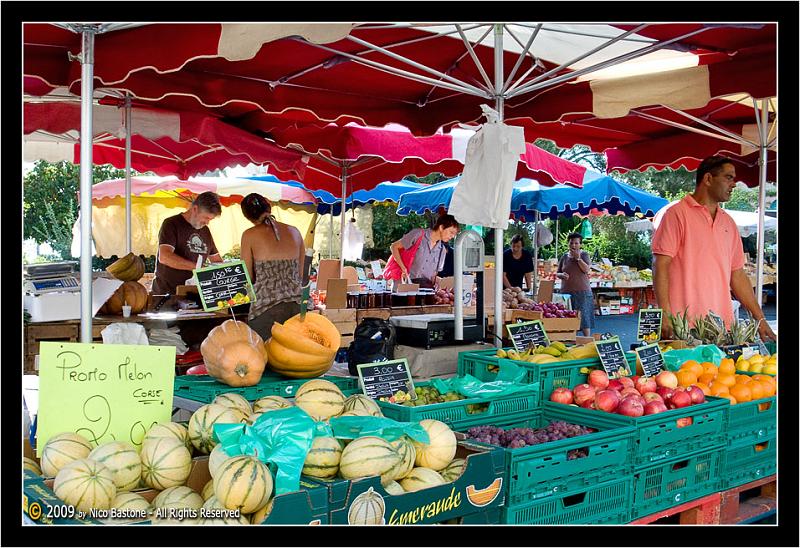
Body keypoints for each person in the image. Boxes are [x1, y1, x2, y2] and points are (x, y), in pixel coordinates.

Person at [652, 155, 776, 341]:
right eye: (728, 177)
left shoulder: (728, 222)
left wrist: (760, 319)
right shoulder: (676, 214)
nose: (734, 184)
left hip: (721, 327)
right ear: (708, 179)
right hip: (684, 325)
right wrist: (664, 314)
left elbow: (738, 275)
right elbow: (660, 265)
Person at [240, 193, 305, 340]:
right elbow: (302, 274)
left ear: (248, 217)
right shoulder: (295, 231)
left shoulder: (249, 235)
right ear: (269, 206)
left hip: (266, 308)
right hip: (298, 306)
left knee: (266, 358)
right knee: (300, 360)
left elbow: (247, 277)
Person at [152, 191, 223, 295]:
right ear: (195, 209)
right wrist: (198, 268)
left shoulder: (205, 231)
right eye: (206, 217)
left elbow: (217, 261)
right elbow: (164, 257)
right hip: (168, 295)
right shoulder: (171, 224)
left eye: (210, 219)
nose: (207, 222)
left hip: (194, 295)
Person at [390, 214, 459, 288]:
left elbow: (433, 276)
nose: (452, 236)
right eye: (451, 232)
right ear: (441, 227)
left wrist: (440, 283)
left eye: (454, 234)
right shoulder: (418, 234)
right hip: (402, 287)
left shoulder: (442, 250)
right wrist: (403, 268)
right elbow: (394, 247)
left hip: (423, 291)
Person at [556, 232, 595, 337]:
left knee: (584, 317)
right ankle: (570, 339)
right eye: (571, 243)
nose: (573, 245)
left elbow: (586, 269)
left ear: (580, 244)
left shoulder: (584, 255)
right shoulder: (564, 257)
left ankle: (587, 340)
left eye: (576, 243)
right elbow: (557, 273)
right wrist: (562, 275)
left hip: (582, 291)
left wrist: (578, 258)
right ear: (568, 244)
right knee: (568, 316)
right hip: (566, 292)